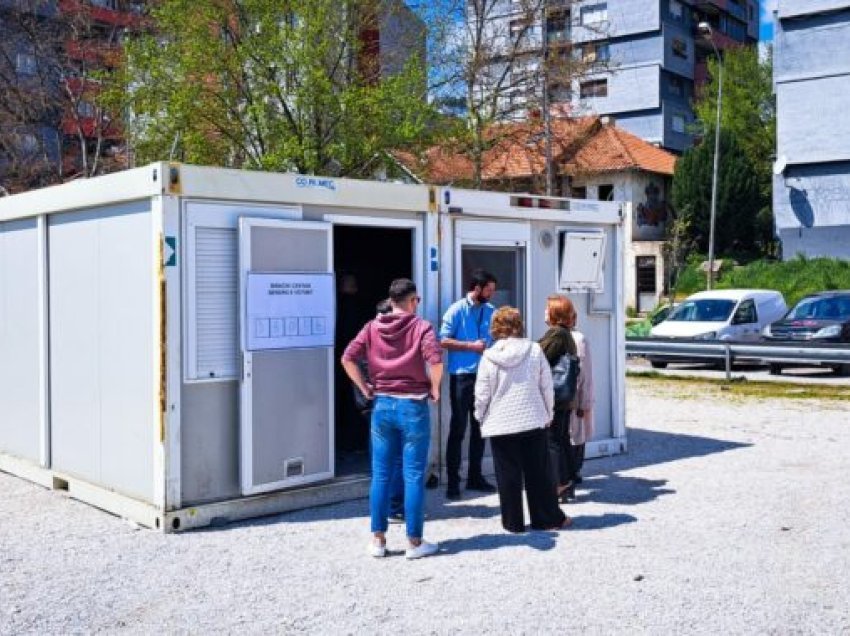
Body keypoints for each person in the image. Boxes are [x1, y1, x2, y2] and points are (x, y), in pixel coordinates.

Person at [341, 279, 443, 559]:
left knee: (381, 474)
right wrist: (434, 388)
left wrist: (364, 387)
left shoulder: (372, 327)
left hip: (382, 406)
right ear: (413, 301)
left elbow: (347, 357)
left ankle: (378, 541)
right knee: (412, 475)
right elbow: (435, 361)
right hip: (413, 405)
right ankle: (414, 542)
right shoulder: (421, 327)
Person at [473, 306, 571, 533]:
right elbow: (546, 386)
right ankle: (546, 519)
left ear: (496, 328)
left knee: (507, 475)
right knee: (538, 473)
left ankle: (513, 523)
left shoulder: (489, 356)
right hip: (531, 417)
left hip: (500, 422)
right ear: (519, 325)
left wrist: (481, 416)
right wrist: (549, 413)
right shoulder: (534, 350)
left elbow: (482, 393)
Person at [439, 268, 498, 500]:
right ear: (477, 289)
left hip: (485, 375)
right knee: (458, 428)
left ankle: (475, 476)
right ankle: (452, 481)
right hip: (462, 376)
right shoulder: (456, 310)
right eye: (489, 290)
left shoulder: (492, 311)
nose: (492, 294)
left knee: (480, 428)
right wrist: (470, 346)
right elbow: (442, 339)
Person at [538, 295, 578, 502]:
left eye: (547, 309)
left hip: (555, 396)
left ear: (555, 313)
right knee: (561, 439)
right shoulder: (566, 334)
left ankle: (558, 484)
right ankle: (567, 482)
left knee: (552, 441)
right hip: (564, 397)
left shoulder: (556, 334)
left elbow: (539, 356)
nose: (544, 312)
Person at [567, 304, 595, 498]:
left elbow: (585, 373)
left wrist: (585, 402)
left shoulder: (578, 339)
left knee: (576, 435)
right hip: (561, 397)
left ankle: (572, 475)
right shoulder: (553, 337)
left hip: (574, 396)